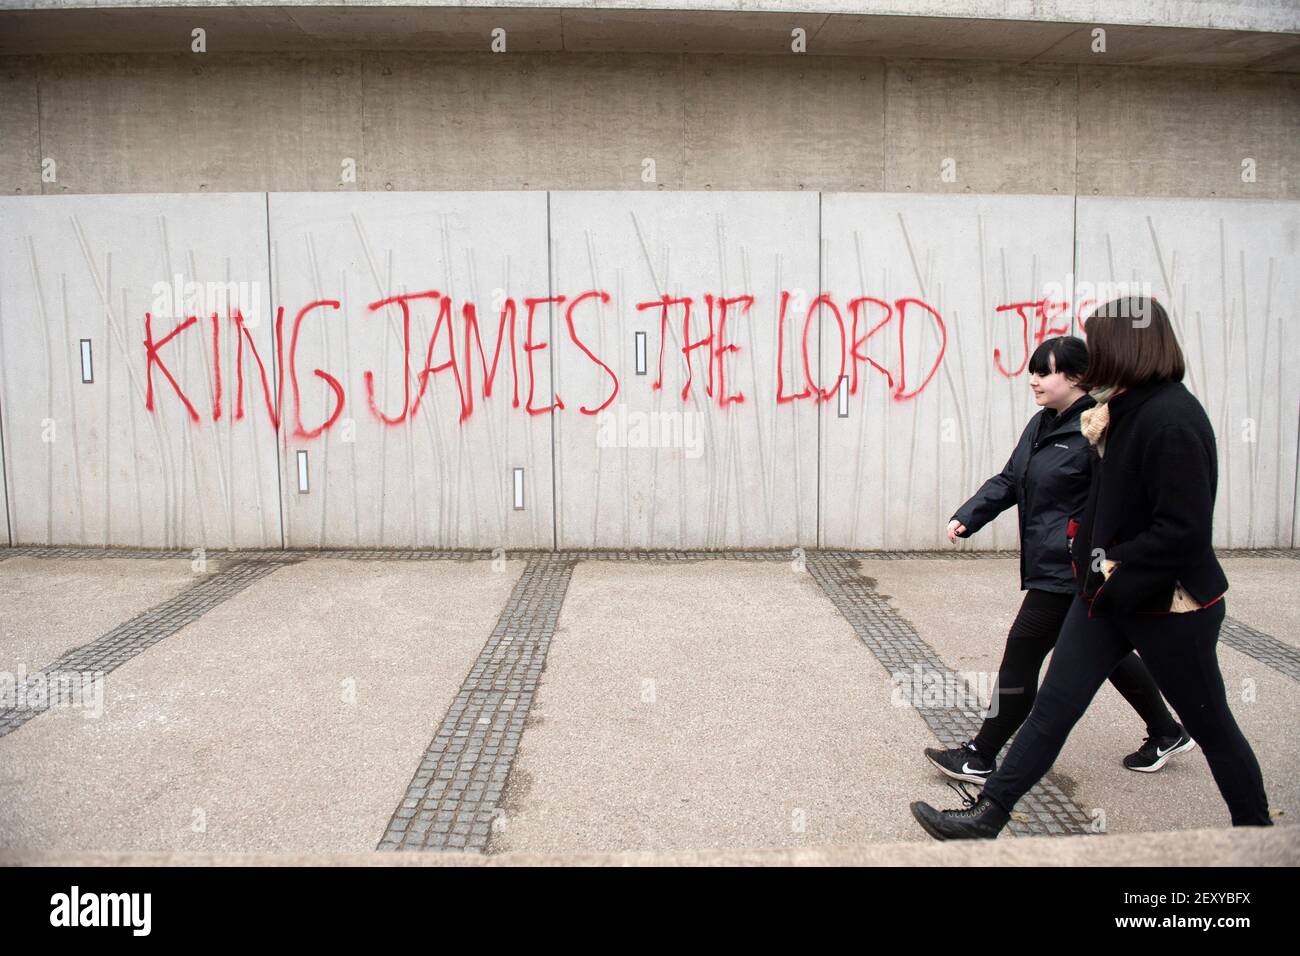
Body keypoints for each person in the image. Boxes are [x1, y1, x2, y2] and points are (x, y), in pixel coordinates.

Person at [911, 297, 1273, 839]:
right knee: (1053, 708)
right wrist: (1088, 563)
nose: (1091, 357)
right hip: (1101, 596)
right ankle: (988, 815)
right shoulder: (1117, 412)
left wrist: (1113, 572)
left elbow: (1183, 533)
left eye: (1098, 345)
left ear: (1127, 346)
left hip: (1169, 607)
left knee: (1214, 724)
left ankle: (1257, 832)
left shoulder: (1172, 419)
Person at [928, 336, 1189, 789]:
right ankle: (1167, 732)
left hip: (1072, 569)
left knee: (1022, 652)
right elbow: (1011, 479)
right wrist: (969, 516)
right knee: (1105, 653)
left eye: (1043, 372)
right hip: (1056, 565)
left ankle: (982, 754)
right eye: (1032, 371)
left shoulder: (1101, 430)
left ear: (1076, 378)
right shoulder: (1043, 422)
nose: (1033, 380)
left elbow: (1128, 502)